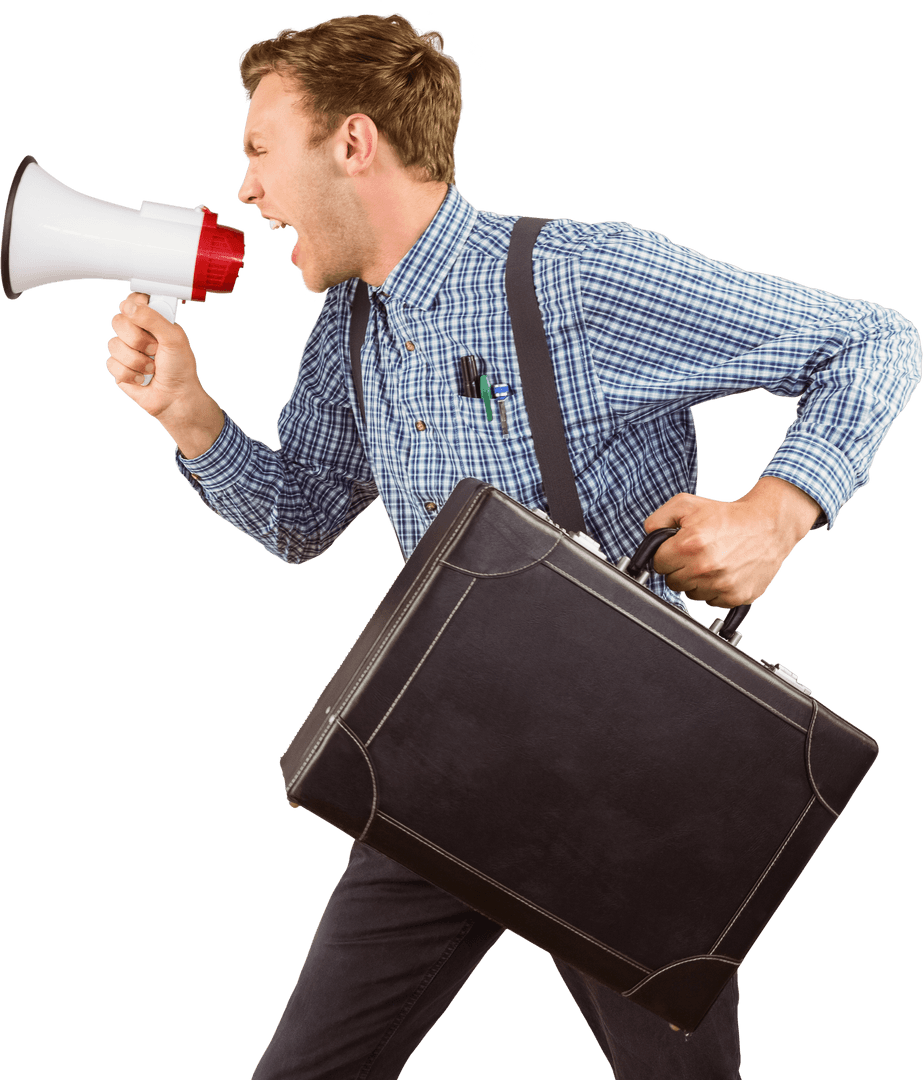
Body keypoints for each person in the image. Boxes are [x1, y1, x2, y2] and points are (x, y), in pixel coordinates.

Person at [104, 12, 921, 1079]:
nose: (246, 188)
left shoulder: (572, 278)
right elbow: (303, 517)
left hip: (628, 776)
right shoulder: (348, 325)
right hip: (444, 752)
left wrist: (774, 511)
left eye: (260, 150)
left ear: (353, 143)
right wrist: (190, 416)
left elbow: (874, 340)